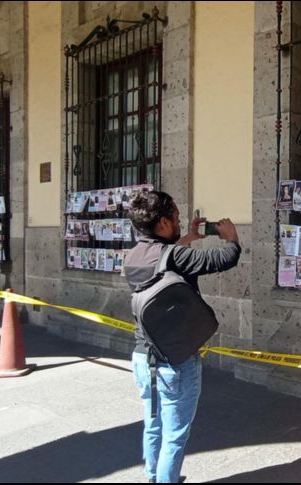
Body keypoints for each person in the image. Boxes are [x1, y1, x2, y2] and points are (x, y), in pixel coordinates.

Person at [124, 190, 241, 483]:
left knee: (153, 425)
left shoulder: (134, 256)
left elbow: (168, 256)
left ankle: (154, 477)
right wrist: (232, 237)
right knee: (175, 436)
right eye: (176, 218)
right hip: (175, 361)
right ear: (163, 222)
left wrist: (188, 237)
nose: (178, 222)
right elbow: (224, 259)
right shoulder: (174, 255)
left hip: (142, 357)